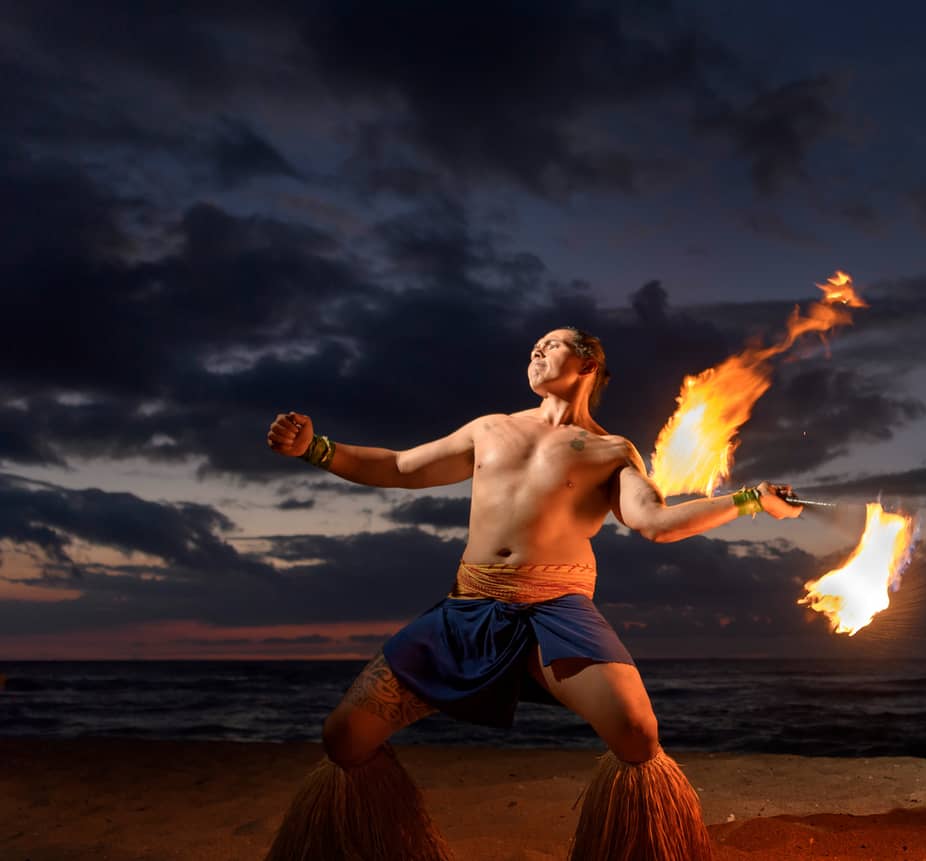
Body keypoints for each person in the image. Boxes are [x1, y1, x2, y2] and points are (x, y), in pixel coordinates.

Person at [261, 327, 802, 861]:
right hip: (468, 608)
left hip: (558, 610)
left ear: (588, 363)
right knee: (344, 737)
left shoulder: (612, 450)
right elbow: (401, 467)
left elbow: (656, 522)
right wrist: (317, 448)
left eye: (554, 343)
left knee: (638, 734)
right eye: (534, 347)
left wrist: (751, 499)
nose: (537, 349)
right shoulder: (491, 429)